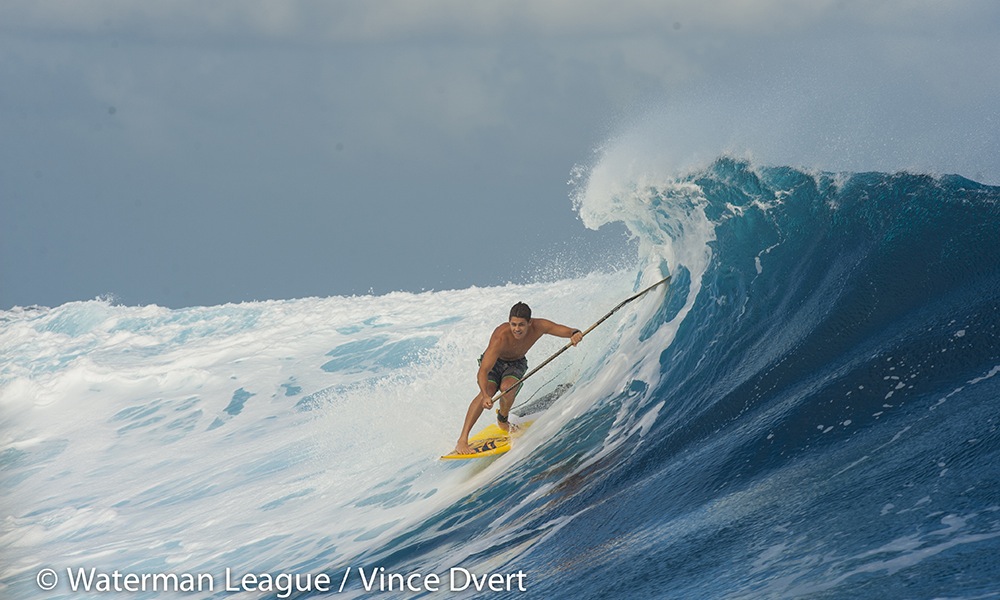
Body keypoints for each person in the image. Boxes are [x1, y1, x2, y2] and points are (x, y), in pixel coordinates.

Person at [453, 301, 583, 455]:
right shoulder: (500, 336)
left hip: (516, 363)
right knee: (486, 392)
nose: (516, 329)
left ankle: (503, 418)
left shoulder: (539, 326)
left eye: (521, 325)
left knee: (507, 389)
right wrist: (486, 395)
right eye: (513, 324)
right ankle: (462, 439)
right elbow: (483, 371)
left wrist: (575, 333)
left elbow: (565, 330)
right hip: (495, 364)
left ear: (529, 322)